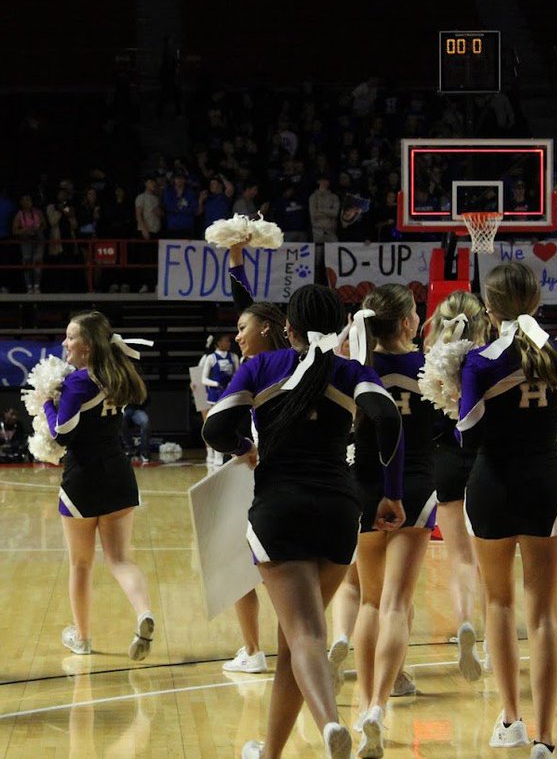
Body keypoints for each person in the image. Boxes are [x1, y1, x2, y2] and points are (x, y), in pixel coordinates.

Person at [202, 283, 403, 759]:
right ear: (339, 327)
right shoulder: (350, 370)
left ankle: (331, 723)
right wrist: (388, 493)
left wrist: (243, 449)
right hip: (339, 511)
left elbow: (214, 428)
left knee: (305, 635)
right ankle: (270, 752)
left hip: (279, 512)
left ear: (286, 328)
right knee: (295, 643)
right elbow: (389, 418)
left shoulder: (260, 367)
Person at [458, 262, 557, 759]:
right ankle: (546, 738)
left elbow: (467, 435)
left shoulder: (480, 361)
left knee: (499, 604)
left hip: (492, 486)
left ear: (489, 308)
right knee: (544, 617)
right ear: (537, 303)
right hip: (546, 486)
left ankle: (511, 718)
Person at [349, 284, 438, 757]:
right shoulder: (431, 367)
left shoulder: (358, 369)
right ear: (407, 323)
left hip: (362, 485)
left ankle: (364, 704)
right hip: (417, 489)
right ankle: (380, 706)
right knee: (397, 605)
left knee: (368, 602)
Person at [45, 311, 156, 660]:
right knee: (121, 559)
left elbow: (61, 433)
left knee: (81, 564)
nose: (65, 343)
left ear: (89, 347)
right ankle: (144, 612)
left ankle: (82, 638)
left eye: (71, 337)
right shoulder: (117, 376)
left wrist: (47, 404)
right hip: (119, 475)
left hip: (82, 481)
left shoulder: (79, 383)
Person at [220, 241, 289, 676]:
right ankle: (308, 644)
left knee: (239, 562)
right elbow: (249, 307)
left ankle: (254, 650)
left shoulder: (262, 367)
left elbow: (251, 309)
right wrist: (236, 261)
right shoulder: (300, 361)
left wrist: (242, 448)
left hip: (262, 471)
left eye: (244, 328)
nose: (238, 334)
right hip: (295, 471)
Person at [424, 291, 491, 682]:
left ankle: (465, 622)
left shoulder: (429, 364)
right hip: (485, 461)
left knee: (461, 559)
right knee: (491, 562)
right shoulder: (489, 360)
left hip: (444, 462)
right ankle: (491, 645)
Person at [198, 333, 240, 466]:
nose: (229, 343)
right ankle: (213, 453)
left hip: (229, 395)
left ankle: (228, 452)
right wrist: (216, 384)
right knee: (211, 423)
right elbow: (200, 378)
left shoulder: (233, 357)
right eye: (225, 341)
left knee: (229, 424)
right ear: (217, 343)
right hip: (212, 396)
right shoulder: (209, 358)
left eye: (229, 341)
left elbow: (238, 375)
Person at [121, 398, 153, 463]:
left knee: (145, 422)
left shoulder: (140, 387)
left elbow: (147, 399)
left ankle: (144, 452)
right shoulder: (121, 387)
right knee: (121, 421)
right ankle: (130, 449)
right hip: (123, 409)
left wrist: (139, 402)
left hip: (137, 409)